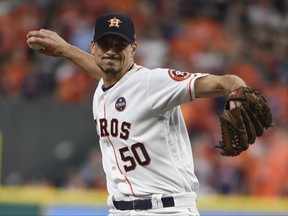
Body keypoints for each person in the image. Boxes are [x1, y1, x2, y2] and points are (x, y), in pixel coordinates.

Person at [27, 12, 247, 216]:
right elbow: (105, 72)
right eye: (105, 44)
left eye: (120, 45)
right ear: (93, 47)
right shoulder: (106, 86)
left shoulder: (153, 82)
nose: (112, 50)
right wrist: (66, 50)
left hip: (167, 210)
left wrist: (238, 90)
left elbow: (220, 82)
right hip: (120, 210)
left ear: (133, 49)